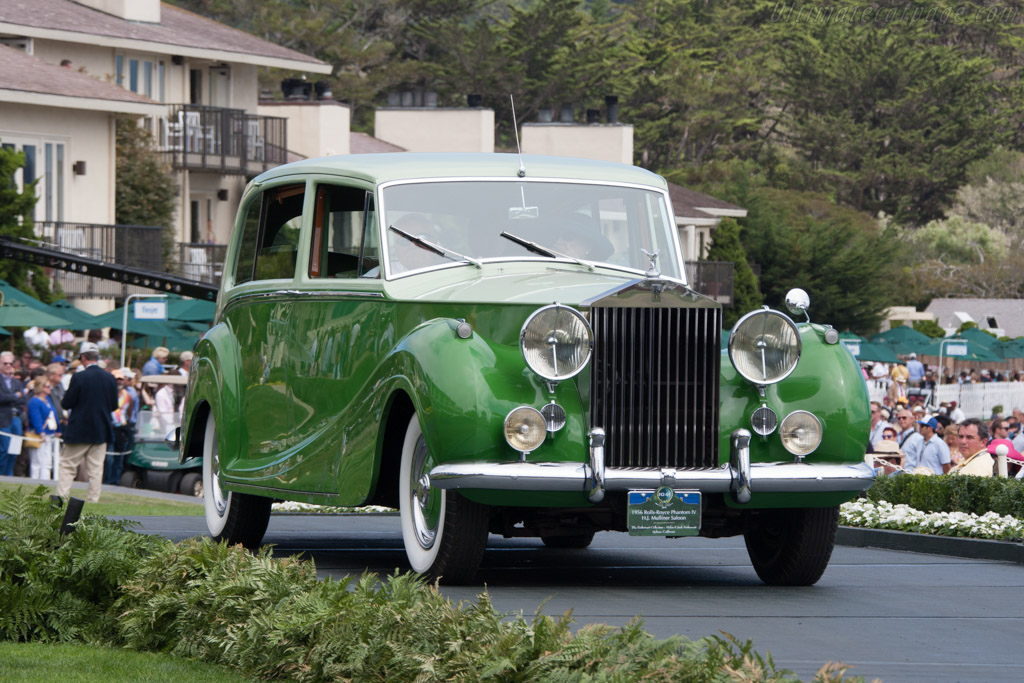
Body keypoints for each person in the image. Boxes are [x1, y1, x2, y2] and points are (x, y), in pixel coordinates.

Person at [56, 342, 118, 503]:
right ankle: (93, 499)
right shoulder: (110, 378)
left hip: (79, 429)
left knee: (68, 466)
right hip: (101, 429)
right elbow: (114, 405)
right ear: (97, 358)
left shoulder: (79, 377)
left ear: (83, 358)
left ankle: (62, 498)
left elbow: (67, 403)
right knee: (96, 469)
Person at [105, 369, 135, 485]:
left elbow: (129, 412)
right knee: (109, 458)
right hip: (110, 428)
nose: (118, 382)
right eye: (116, 379)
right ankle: (107, 481)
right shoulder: (107, 394)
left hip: (121, 429)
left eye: (120, 379)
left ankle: (115, 481)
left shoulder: (128, 396)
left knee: (119, 457)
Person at [26, 377, 60, 480]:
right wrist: (41, 432)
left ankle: (46, 481)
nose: (50, 388)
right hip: (39, 435)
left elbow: (53, 415)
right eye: (47, 386)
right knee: (37, 461)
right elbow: (36, 418)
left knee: (47, 461)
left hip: (50, 433)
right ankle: (36, 480)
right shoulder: (34, 401)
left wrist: (58, 430)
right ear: (41, 388)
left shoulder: (47, 400)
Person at [0, 351, 26, 476]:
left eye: (10, 363)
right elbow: (1, 398)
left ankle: (9, 476)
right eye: (5, 363)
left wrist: (11, 397)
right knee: (4, 449)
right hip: (3, 419)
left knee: (15, 450)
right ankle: (2, 475)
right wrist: (15, 395)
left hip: (16, 419)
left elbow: (23, 399)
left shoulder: (17, 382)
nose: (8, 366)